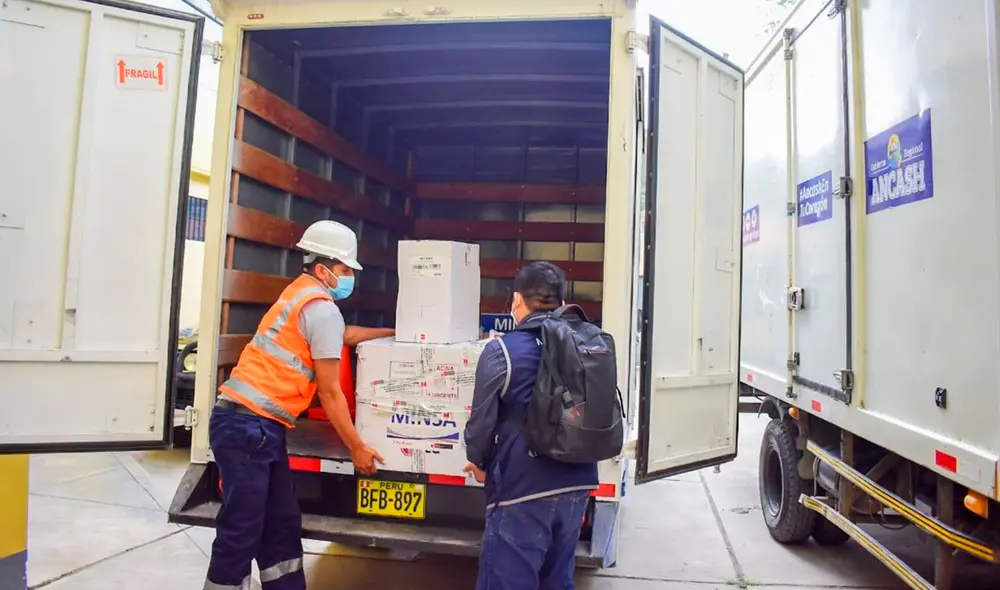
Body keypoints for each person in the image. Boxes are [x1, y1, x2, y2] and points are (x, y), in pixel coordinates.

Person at [204, 220, 393, 590]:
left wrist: (396, 333)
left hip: (259, 428)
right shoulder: (320, 308)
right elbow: (330, 393)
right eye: (344, 270)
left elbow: (344, 335)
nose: (349, 277)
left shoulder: (301, 294)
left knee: (280, 525)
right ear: (324, 269)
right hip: (247, 427)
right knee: (241, 530)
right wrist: (357, 447)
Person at [463, 261, 599, 590]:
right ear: (559, 301)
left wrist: (479, 461)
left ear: (516, 300)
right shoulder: (588, 343)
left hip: (521, 488)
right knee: (557, 581)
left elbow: (481, 421)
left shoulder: (501, 351)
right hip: (577, 483)